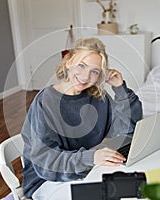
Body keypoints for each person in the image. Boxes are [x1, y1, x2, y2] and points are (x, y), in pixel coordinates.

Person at [20, 37, 142, 199]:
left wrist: (120, 89)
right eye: (82, 66)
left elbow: (127, 129)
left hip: (87, 170)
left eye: (95, 71)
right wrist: (91, 157)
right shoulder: (46, 101)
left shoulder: (98, 98)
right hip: (47, 180)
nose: (86, 76)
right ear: (68, 62)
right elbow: (46, 164)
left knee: (133, 188)